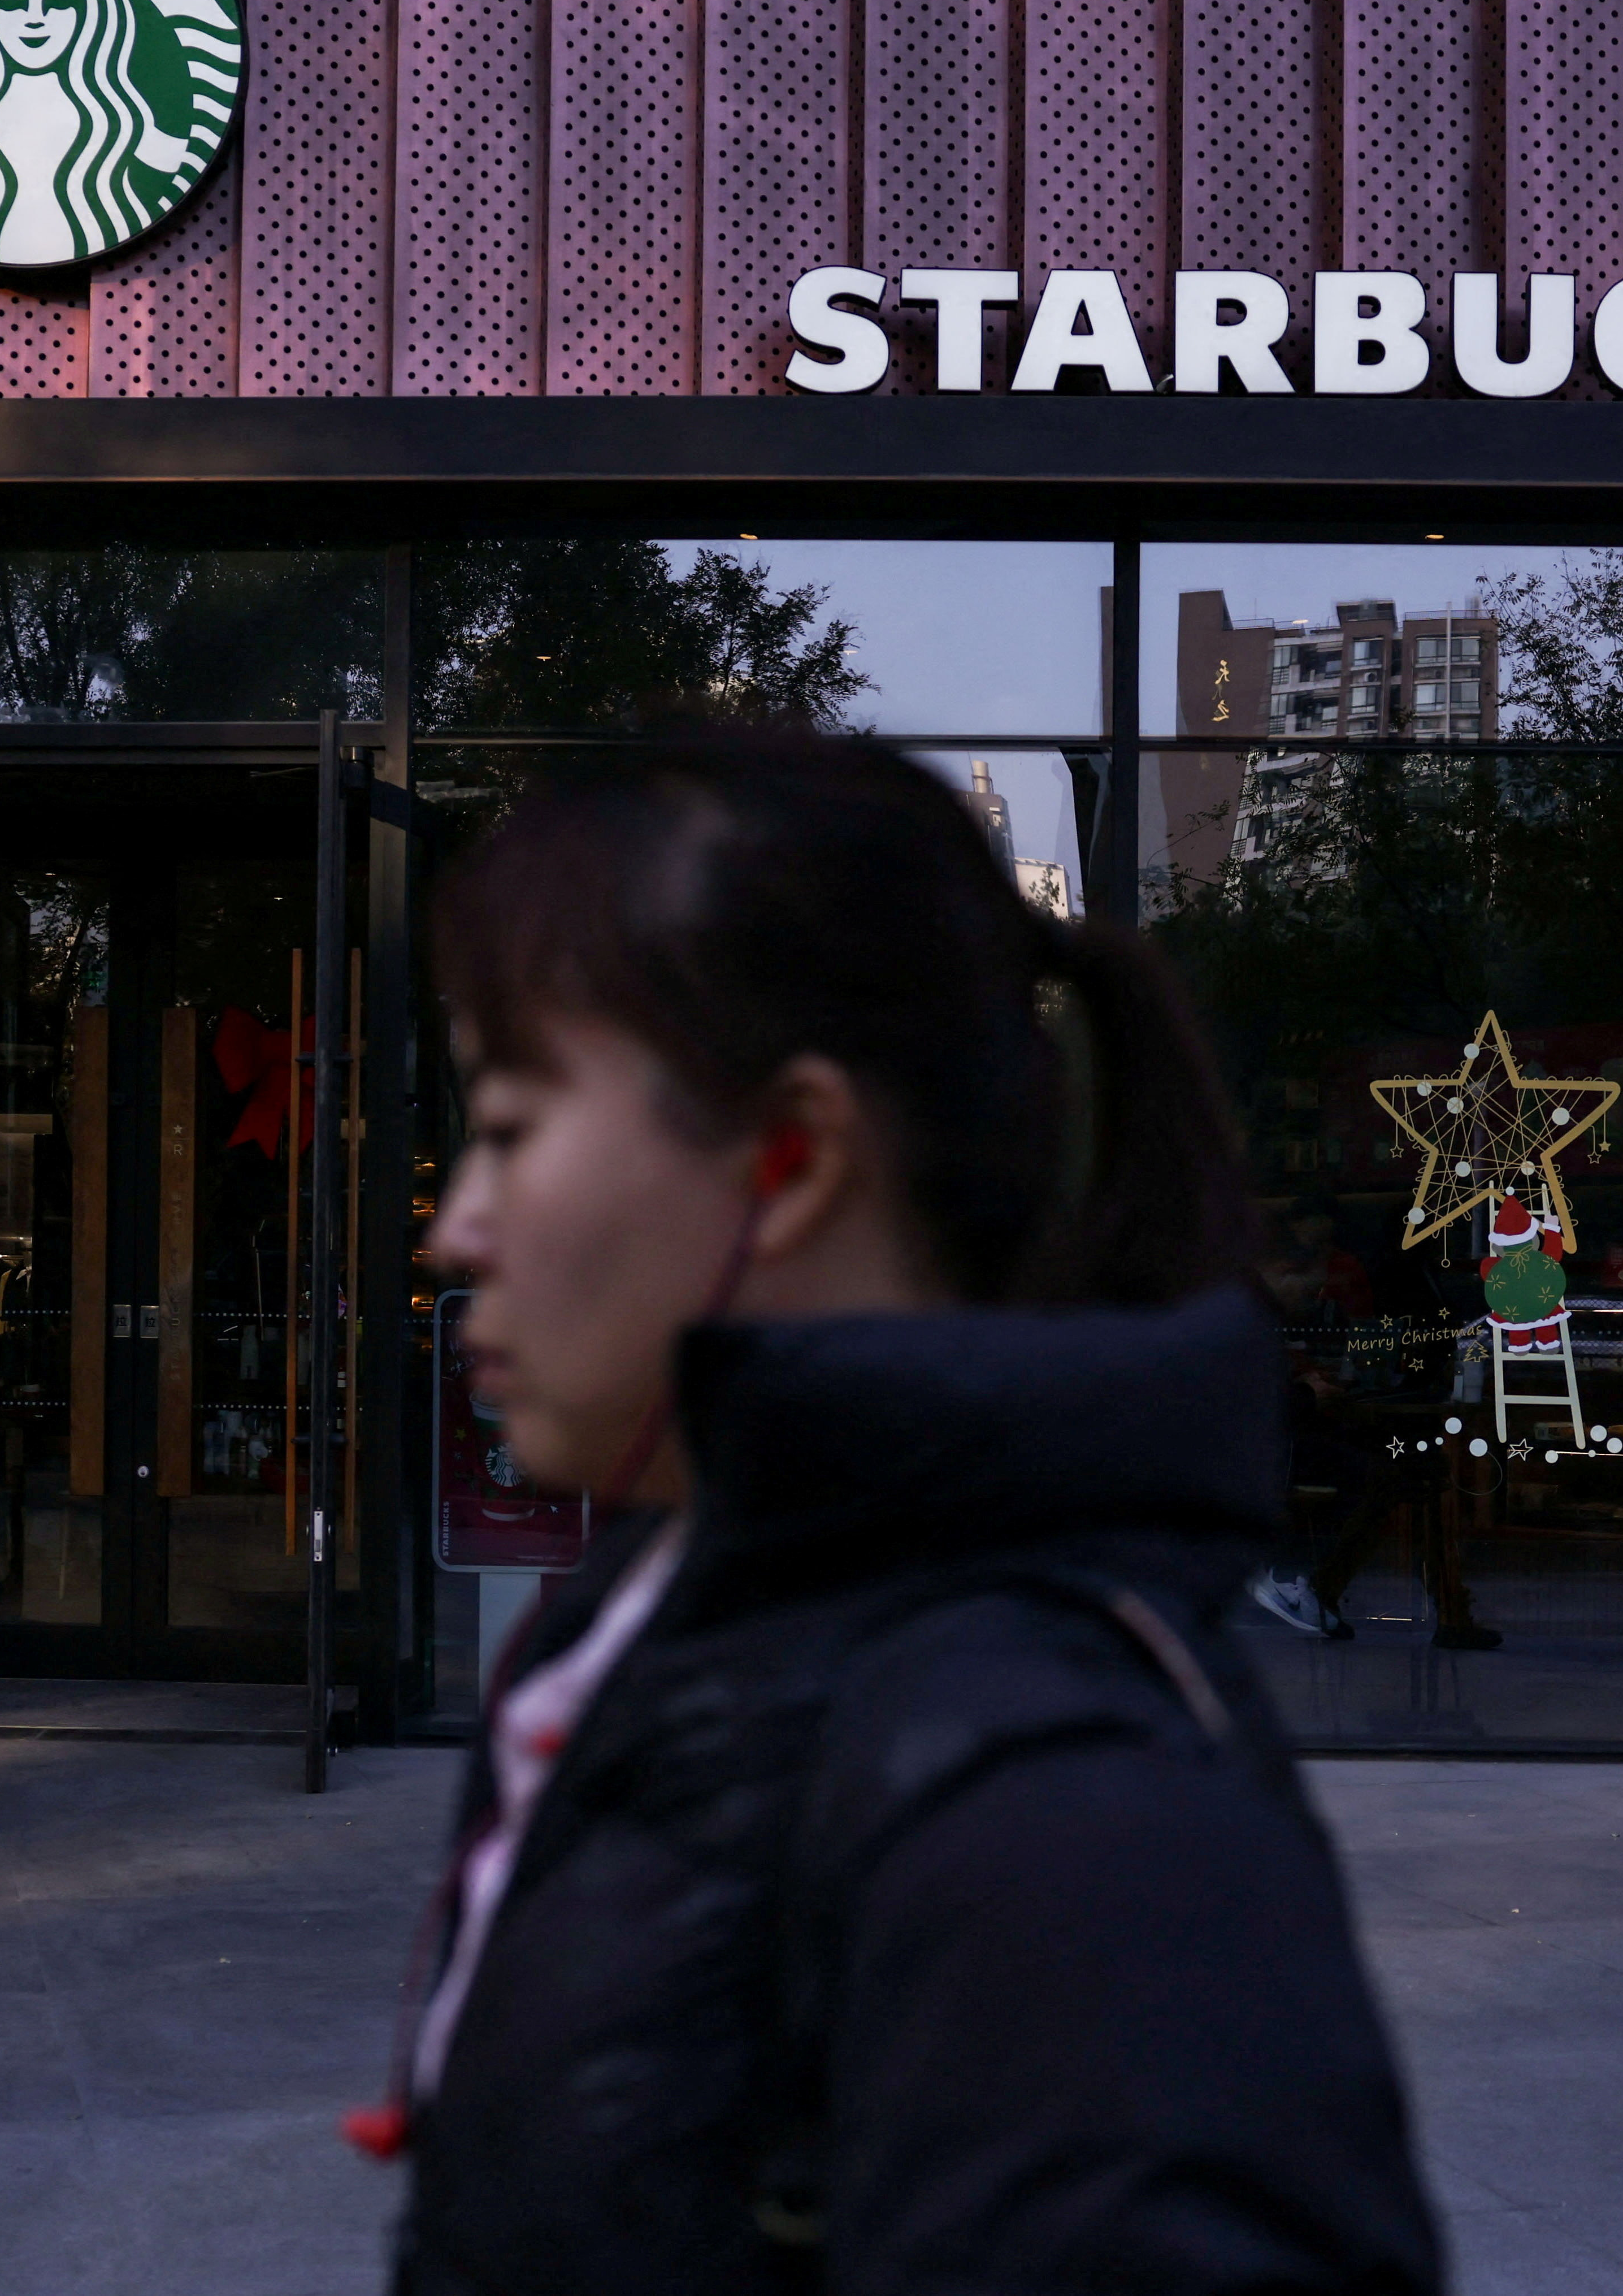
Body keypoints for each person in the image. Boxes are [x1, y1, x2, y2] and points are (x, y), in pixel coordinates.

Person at [369, 731, 1444, 2296]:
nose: (451, 1228)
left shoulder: (1063, 1826)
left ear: (793, 1153)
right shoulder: (657, 1602)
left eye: (513, 1126)